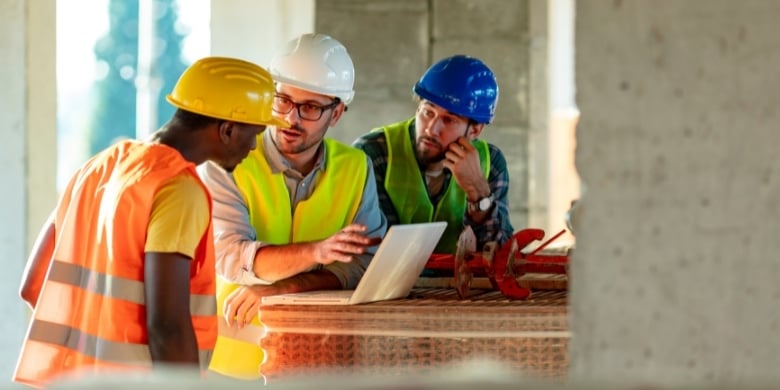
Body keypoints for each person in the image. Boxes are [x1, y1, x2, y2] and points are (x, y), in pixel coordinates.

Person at [14, 56, 286, 388]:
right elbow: (167, 327)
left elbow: (33, 286)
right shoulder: (178, 189)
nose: (254, 146)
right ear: (227, 129)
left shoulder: (96, 168)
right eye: (254, 133)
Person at [199, 33, 387, 380]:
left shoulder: (356, 167)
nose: (290, 118)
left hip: (318, 362)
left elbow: (365, 267)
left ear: (337, 112)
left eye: (311, 107)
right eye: (282, 100)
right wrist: (317, 253)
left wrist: (284, 289)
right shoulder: (227, 161)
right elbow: (230, 258)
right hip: (230, 363)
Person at [353, 55, 514, 257]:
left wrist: (479, 193)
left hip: (459, 288)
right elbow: (377, 250)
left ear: (475, 130)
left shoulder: (491, 162)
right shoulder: (374, 153)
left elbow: (501, 256)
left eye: (448, 120)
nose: (431, 129)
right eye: (428, 112)